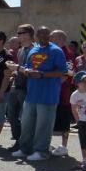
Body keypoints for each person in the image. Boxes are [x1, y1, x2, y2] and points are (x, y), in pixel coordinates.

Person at [12, 27, 69, 161]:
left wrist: (43, 74)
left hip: (48, 95)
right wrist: (23, 71)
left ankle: (41, 152)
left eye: (46, 34)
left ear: (50, 36)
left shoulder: (56, 51)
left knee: (44, 125)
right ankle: (25, 148)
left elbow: (62, 72)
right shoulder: (34, 49)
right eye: (40, 34)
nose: (43, 36)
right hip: (32, 94)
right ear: (36, 37)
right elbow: (28, 68)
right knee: (27, 124)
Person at [6, 24, 34, 151]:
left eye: (20, 33)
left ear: (28, 34)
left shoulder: (35, 50)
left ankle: (25, 142)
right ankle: (18, 140)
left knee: (25, 117)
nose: (18, 35)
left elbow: (32, 71)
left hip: (27, 88)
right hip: (16, 85)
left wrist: (16, 68)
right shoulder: (21, 50)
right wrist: (14, 69)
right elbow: (21, 68)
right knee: (11, 115)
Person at [50, 30, 75, 157]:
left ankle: (64, 146)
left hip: (62, 93)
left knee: (64, 122)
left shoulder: (68, 53)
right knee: (49, 119)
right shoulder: (51, 50)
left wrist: (52, 84)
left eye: (52, 36)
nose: (50, 38)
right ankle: (47, 143)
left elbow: (68, 73)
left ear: (61, 39)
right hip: (50, 93)